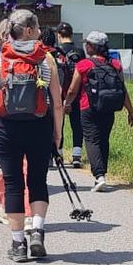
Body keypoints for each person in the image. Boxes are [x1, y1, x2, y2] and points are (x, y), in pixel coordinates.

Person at [0, 9, 63, 262]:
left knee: (13, 183)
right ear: (28, 30)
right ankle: (37, 231)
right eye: (37, 28)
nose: (39, 32)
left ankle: (18, 245)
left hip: (7, 128)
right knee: (38, 180)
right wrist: (57, 133)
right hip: (39, 126)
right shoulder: (46, 60)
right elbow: (57, 103)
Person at [63, 29, 133, 191]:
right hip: (109, 107)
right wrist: (131, 111)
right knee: (104, 139)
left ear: (91, 47)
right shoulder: (115, 64)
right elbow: (122, 90)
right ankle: (102, 175)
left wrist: (67, 104)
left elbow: (73, 90)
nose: (86, 47)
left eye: (87, 44)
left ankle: (99, 176)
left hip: (88, 107)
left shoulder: (83, 65)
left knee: (91, 140)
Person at [52, 22, 85, 166]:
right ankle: (77, 155)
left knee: (59, 125)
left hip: (58, 92)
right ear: (71, 34)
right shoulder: (80, 52)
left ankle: (58, 154)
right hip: (76, 92)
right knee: (77, 124)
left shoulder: (55, 52)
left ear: (58, 35)